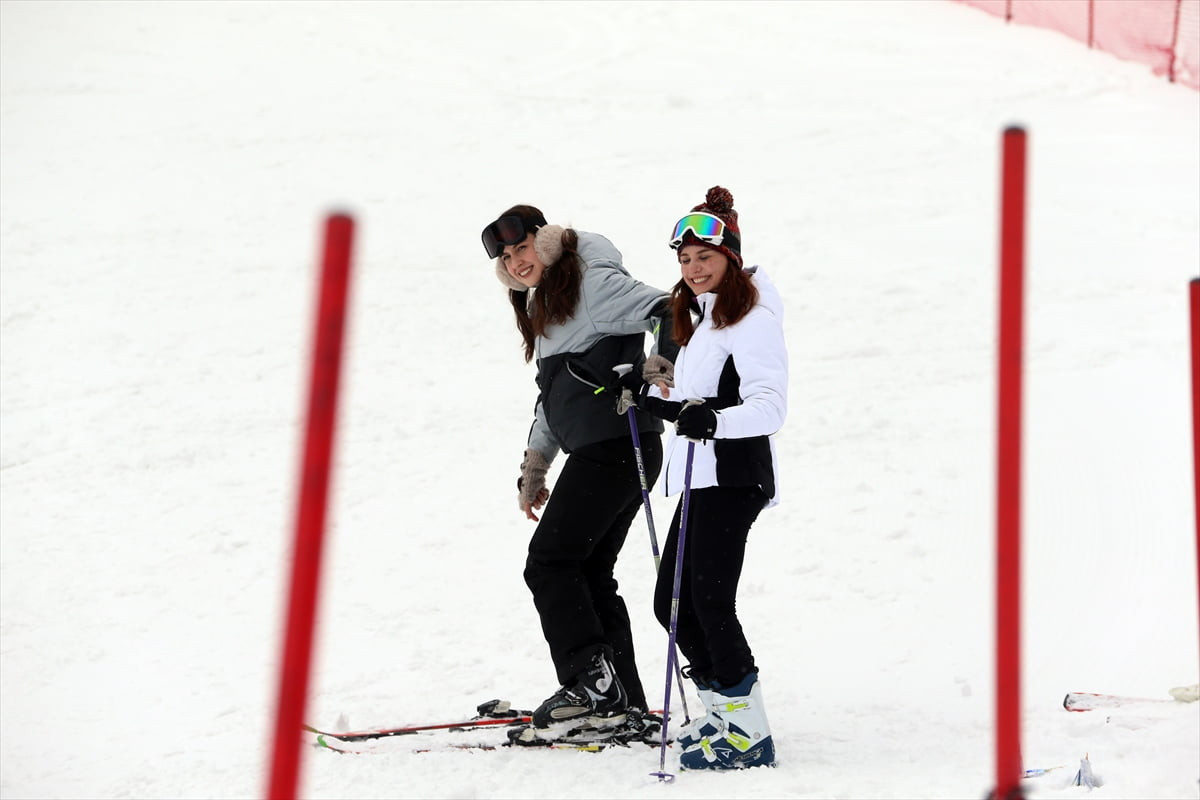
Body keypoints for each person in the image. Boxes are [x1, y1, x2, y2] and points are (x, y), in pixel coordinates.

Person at [480, 205, 677, 737]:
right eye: (505, 256)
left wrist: (661, 363)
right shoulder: (550, 303)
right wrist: (535, 466)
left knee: (548, 563)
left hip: (618, 443)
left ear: (543, 242)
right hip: (607, 449)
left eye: (522, 248)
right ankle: (623, 702)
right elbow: (554, 397)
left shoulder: (591, 281)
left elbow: (670, 309)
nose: (516, 261)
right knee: (589, 574)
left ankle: (592, 688)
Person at [611, 186, 787, 769]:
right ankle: (721, 712)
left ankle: (747, 733)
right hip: (700, 475)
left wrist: (709, 418)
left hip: (735, 476)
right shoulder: (704, 322)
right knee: (673, 603)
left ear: (730, 258)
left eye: (704, 258)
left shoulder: (752, 317)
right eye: (684, 261)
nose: (693, 269)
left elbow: (769, 408)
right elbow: (693, 409)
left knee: (708, 601)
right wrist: (647, 395)